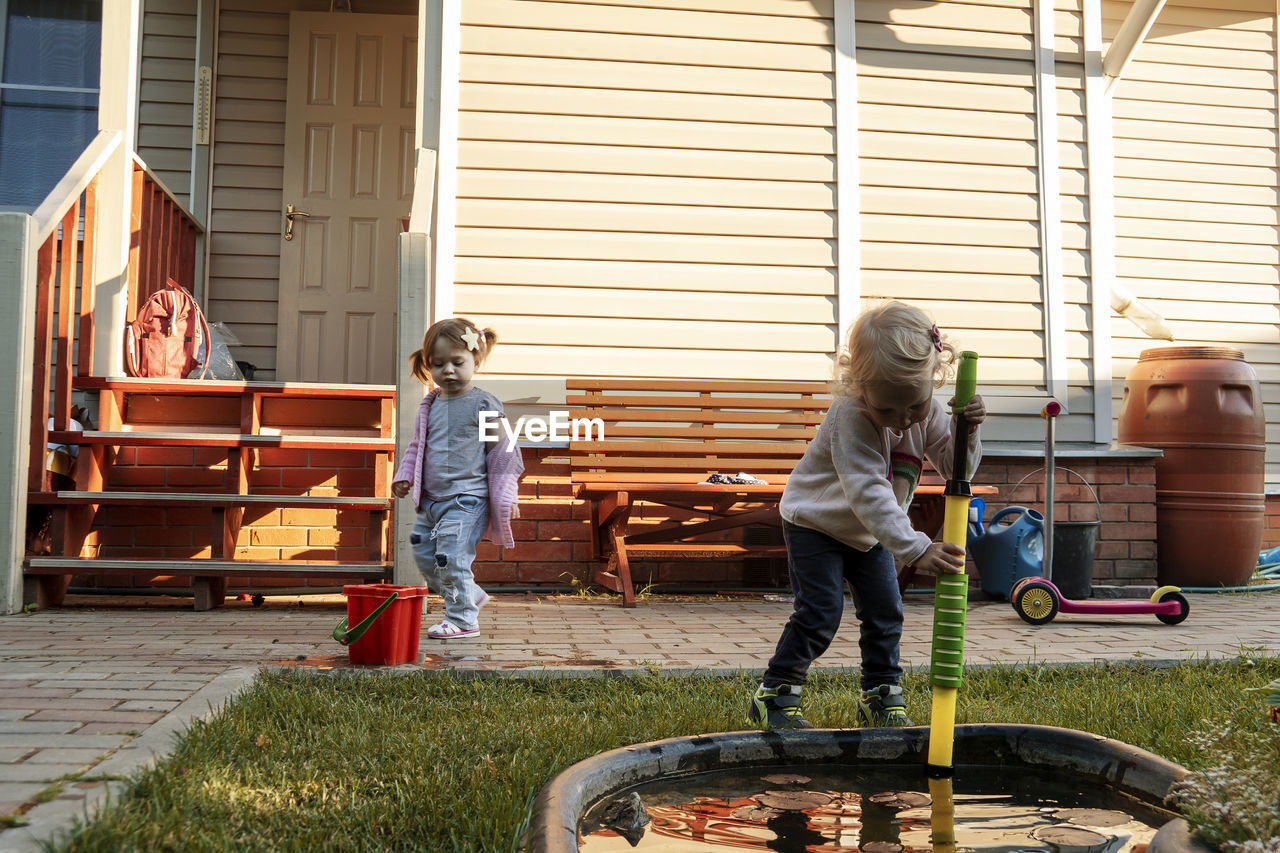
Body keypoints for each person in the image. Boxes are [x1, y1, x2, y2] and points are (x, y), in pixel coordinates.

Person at [749, 300, 986, 730]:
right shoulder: (850, 415)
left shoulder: (928, 411)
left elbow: (957, 472)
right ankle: (776, 693)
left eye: (913, 406)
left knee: (885, 611)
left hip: (871, 532)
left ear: (933, 380)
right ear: (858, 386)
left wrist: (965, 431)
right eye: (887, 411)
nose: (901, 421)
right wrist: (916, 548)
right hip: (816, 524)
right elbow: (868, 491)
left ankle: (880, 694)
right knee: (820, 612)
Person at [392, 318, 523, 640]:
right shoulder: (431, 403)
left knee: (450, 557)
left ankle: (463, 619)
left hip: (467, 500)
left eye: (457, 362)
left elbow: (505, 451)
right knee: (424, 554)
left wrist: (508, 495)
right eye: (438, 364)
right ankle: (471, 594)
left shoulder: (483, 403)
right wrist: (405, 474)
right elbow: (418, 446)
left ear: (476, 361)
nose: (447, 370)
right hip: (434, 501)